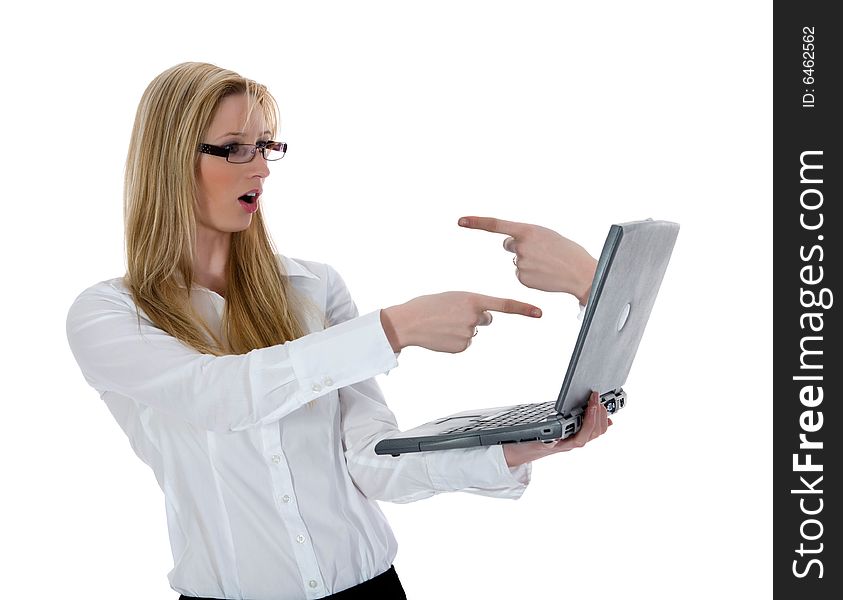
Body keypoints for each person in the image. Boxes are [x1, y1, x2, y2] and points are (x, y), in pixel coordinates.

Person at [65, 62, 610, 600]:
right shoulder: (111, 316)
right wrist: (395, 329)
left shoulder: (312, 287)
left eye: (266, 146)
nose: (261, 169)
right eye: (235, 147)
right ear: (171, 161)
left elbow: (372, 462)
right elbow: (223, 397)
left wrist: (524, 441)